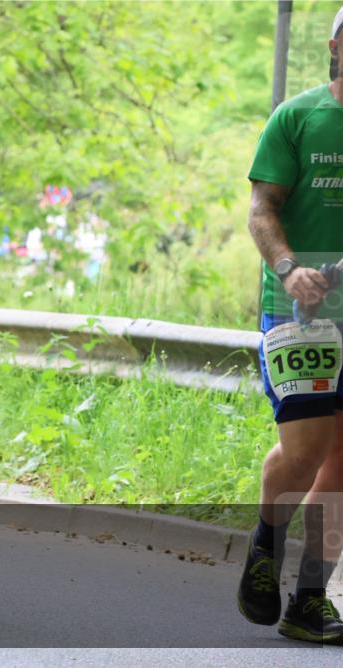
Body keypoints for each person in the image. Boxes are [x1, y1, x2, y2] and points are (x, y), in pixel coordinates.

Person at [237, 8, 343, 644]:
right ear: (336, 46)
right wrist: (287, 267)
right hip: (301, 309)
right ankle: (265, 542)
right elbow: (260, 209)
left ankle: (309, 598)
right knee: (304, 452)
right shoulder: (299, 117)